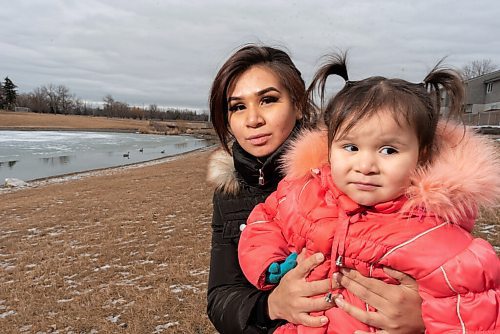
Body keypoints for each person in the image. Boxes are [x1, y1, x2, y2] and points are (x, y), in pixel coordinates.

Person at [238, 53, 500, 333]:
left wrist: (423, 322)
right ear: (329, 147)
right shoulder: (306, 193)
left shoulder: (436, 236)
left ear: (421, 155)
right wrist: (272, 265)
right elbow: (265, 220)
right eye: (350, 147)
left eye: (388, 150)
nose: (365, 166)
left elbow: (478, 311)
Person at [207, 45, 427, 334]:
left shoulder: (354, 172)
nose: (253, 120)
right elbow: (220, 296)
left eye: (268, 100)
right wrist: (271, 305)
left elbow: (441, 271)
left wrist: (422, 318)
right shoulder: (230, 193)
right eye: (238, 106)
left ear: (298, 105)